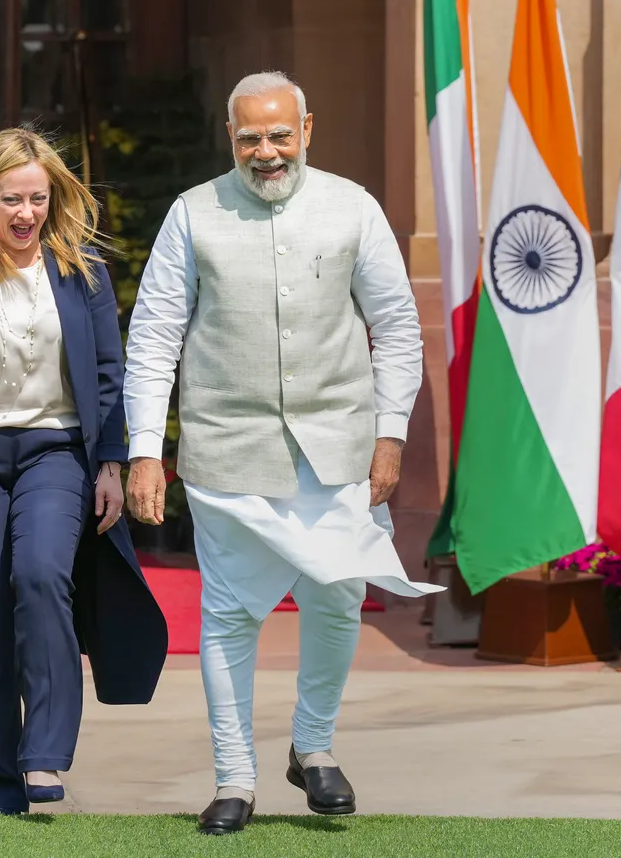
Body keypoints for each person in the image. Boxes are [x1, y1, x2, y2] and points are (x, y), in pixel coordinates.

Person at [124, 72, 443, 834]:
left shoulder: (353, 207)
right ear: (229, 139)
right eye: (248, 138)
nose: (265, 152)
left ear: (308, 129)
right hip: (228, 450)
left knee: (337, 596)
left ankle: (315, 747)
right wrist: (143, 451)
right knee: (230, 614)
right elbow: (154, 336)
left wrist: (390, 433)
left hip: (339, 447)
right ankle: (235, 778)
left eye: (278, 135)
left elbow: (397, 328)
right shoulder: (192, 214)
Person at [0, 127, 168, 815]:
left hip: (55, 452)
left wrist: (111, 461)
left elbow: (109, 375)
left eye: (37, 198)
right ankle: (1, 780)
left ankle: (45, 756)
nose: (25, 214)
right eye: (10, 199)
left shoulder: (80, 270)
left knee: (42, 576)